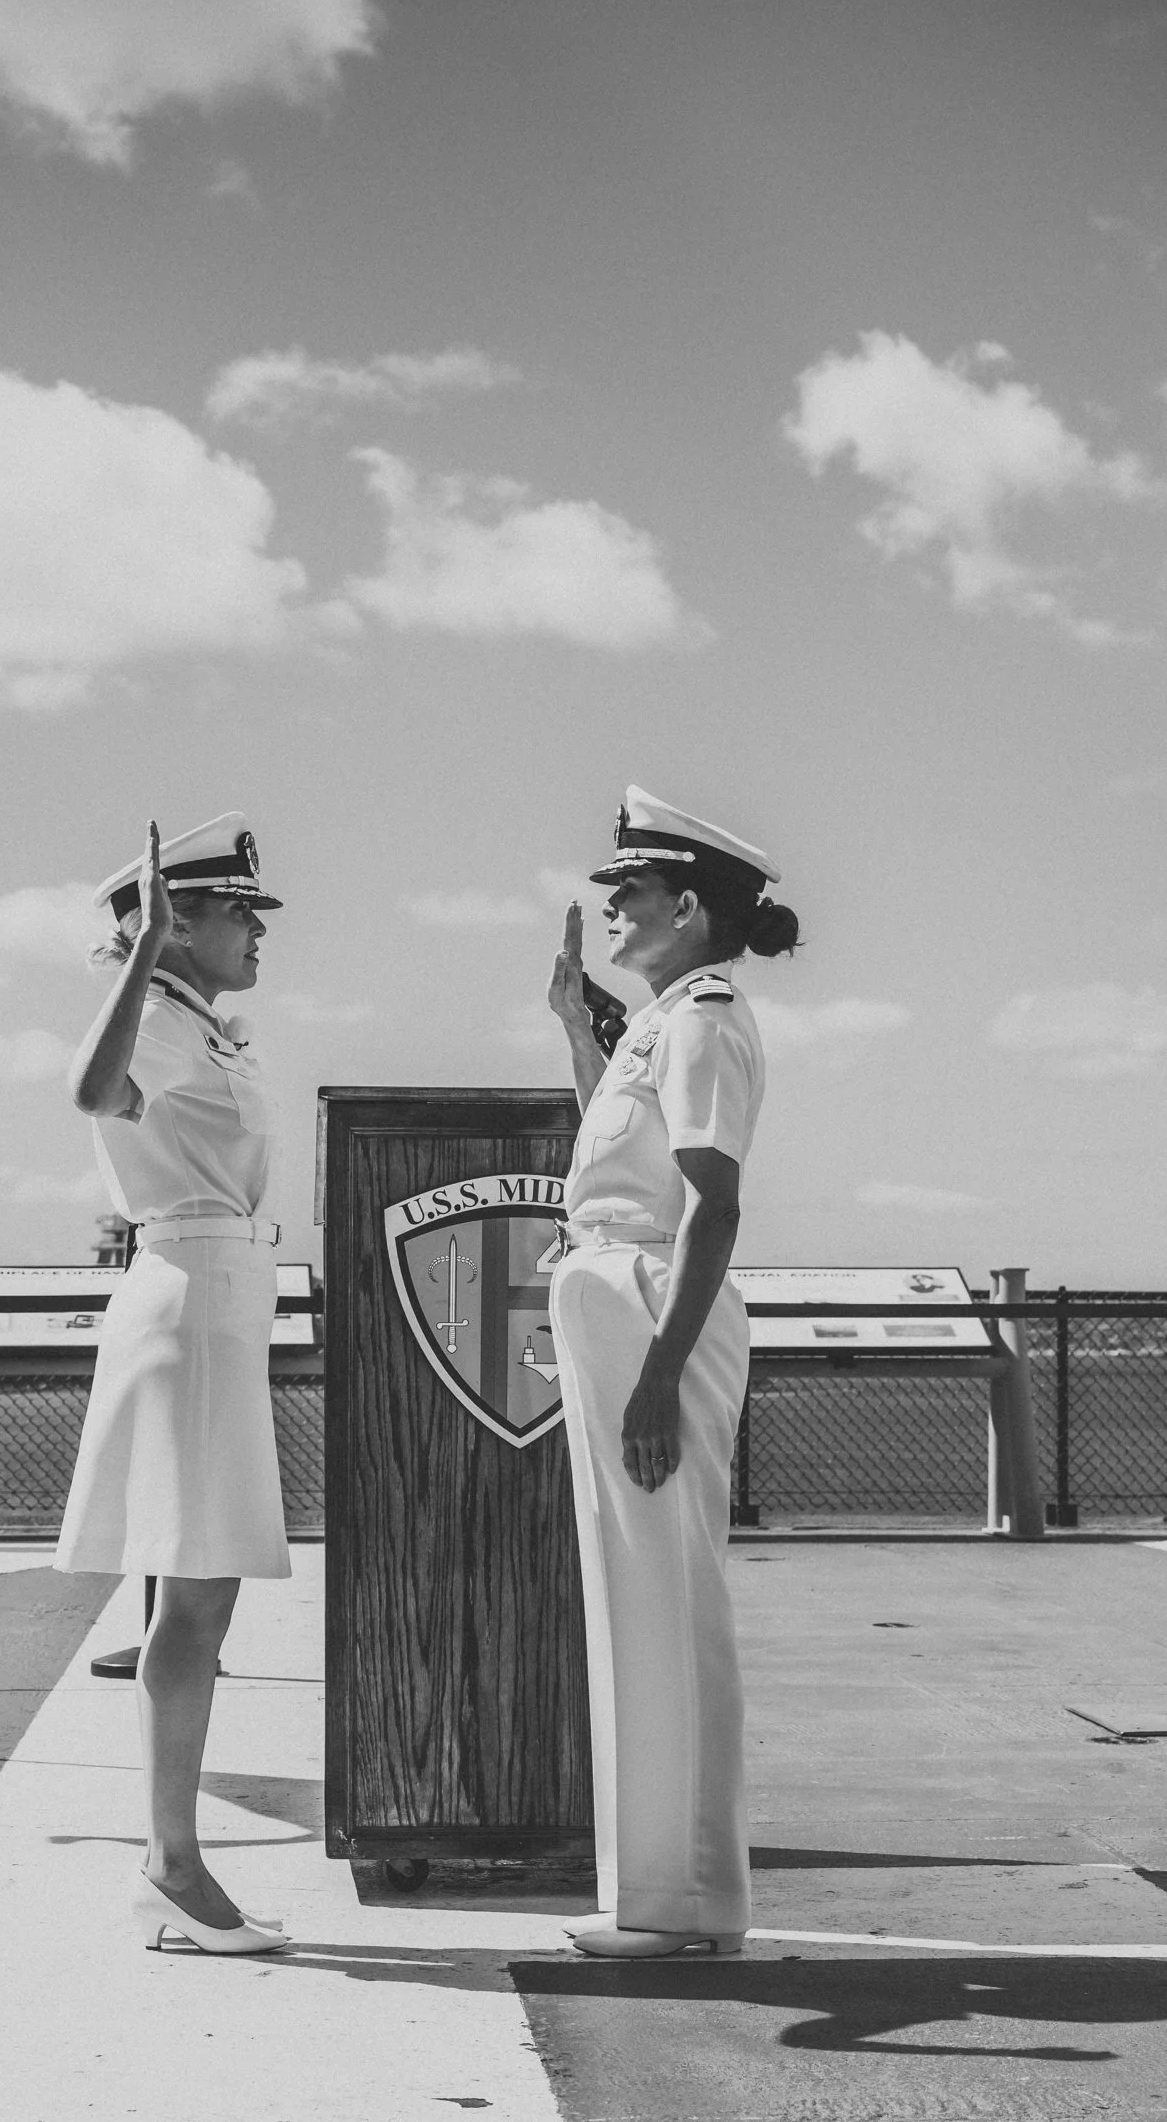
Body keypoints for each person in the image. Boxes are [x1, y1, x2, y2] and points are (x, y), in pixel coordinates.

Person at [546, 785, 800, 1960]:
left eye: (630, 892)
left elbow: (711, 1207)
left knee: (667, 1602)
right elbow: (620, 1161)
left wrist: (659, 1372)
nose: (613, 908)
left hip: (655, 1313)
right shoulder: (663, 1021)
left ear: (688, 907)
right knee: (636, 1601)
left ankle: (686, 1903)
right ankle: (663, 1896)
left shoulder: (703, 1018)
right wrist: (579, 1035)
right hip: (621, 1303)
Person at [54, 814, 290, 1957]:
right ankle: (174, 1869)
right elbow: (92, 1092)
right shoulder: (151, 1012)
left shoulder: (206, 1027)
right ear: (178, 918)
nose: (256, 930)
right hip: (191, 1300)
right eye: (239, 911)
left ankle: (172, 1864)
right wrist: (141, 952)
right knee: (193, 1598)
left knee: (201, 1599)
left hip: (221, 1298)